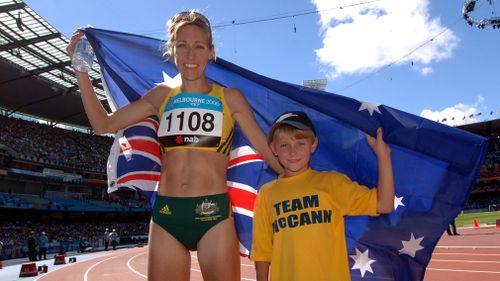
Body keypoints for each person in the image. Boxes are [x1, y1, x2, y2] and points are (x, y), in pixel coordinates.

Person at [67, 10, 281, 281]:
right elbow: (103, 125)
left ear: (211, 52)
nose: (191, 55)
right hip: (167, 215)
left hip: (213, 213)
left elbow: (266, 151)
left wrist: (304, 180)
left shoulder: (230, 98)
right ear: (171, 50)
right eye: (182, 46)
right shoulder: (161, 96)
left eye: (199, 47)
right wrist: (81, 70)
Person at [251, 111, 395, 281]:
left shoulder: (333, 183)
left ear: (313, 144)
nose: (292, 152)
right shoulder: (267, 193)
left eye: (300, 144)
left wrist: (383, 156)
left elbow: (384, 204)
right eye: (284, 145)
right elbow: (262, 249)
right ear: (273, 148)